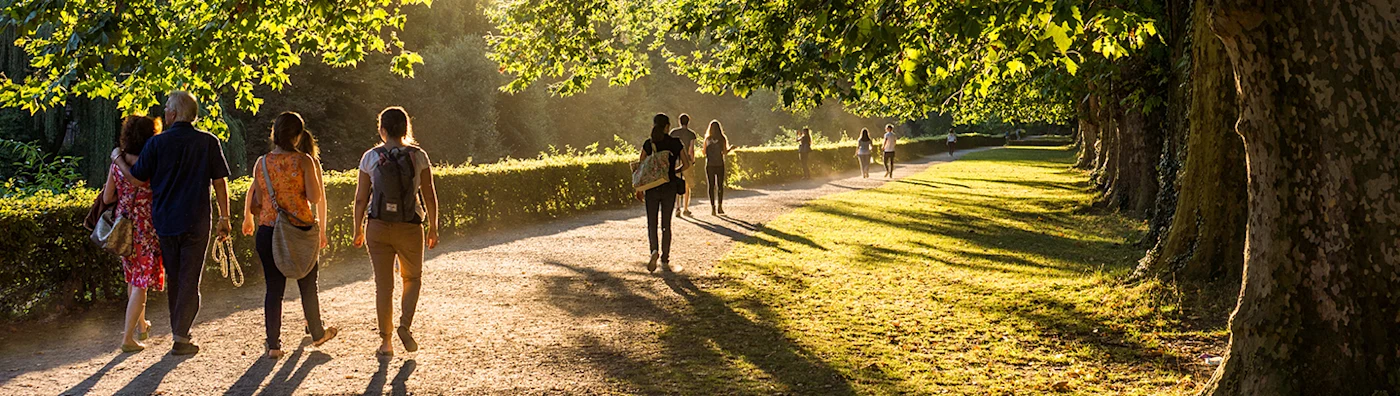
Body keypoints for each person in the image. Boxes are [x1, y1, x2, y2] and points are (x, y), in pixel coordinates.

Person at [114, 91, 232, 356]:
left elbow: (135, 178)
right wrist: (225, 217)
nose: (164, 112)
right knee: (190, 280)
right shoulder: (208, 142)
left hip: (165, 221)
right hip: (197, 220)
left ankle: (181, 333)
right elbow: (220, 183)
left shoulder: (156, 145)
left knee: (176, 279)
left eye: (167, 108)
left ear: (174, 114)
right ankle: (181, 335)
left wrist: (116, 159)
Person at [241, 112, 339, 359]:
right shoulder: (304, 160)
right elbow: (315, 197)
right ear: (297, 135)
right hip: (299, 230)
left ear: (274, 133)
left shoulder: (261, 162)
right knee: (308, 284)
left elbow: (260, 200)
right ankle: (316, 332)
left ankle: (273, 344)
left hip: (268, 230)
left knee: (273, 289)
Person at [352, 106, 440, 357]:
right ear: (406, 129)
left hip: (377, 226)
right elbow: (429, 195)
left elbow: (361, 198)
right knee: (411, 279)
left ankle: (386, 342)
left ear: (382, 130)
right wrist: (433, 227)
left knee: (384, 285)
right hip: (410, 226)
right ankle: (405, 325)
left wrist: (357, 228)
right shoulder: (418, 155)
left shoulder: (370, 157)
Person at [103, 116, 164, 353]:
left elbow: (108, 198)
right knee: (141, 282)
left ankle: (142, 326)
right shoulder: (153, 163)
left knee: (133, 278)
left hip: (124, 228)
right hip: (146, 228)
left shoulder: (117, 164)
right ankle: (127, 337)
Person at [636, 113, 690, 273]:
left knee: (651, 222)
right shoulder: (675, 143)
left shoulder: (649, 143)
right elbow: (686, 164)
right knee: (666, 224)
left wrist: (639, 189)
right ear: (667, 127)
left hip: (652, 187)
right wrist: (674, 171)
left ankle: (654, 250)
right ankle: (665, 257)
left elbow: (641, 167)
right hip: (670, 186)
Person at [702, 120, 734, 215]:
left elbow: (704, 152)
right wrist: (731, 148)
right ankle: (720, 206)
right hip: (720, 164)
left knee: (711, 186)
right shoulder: (722, 139)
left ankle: (713, 207)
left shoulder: (707, 139)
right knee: (720, 185)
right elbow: (724, 152)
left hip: (710, 165)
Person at [669, 114, 698, 218]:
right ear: (688, 122)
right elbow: (691, 150)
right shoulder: (691, 134)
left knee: (676, 183)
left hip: (675, 160)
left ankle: (677, 207)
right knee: (687, 184)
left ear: (679, 121)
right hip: (686, 160)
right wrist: (692, 161)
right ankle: (685, 208)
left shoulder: (673, 132)